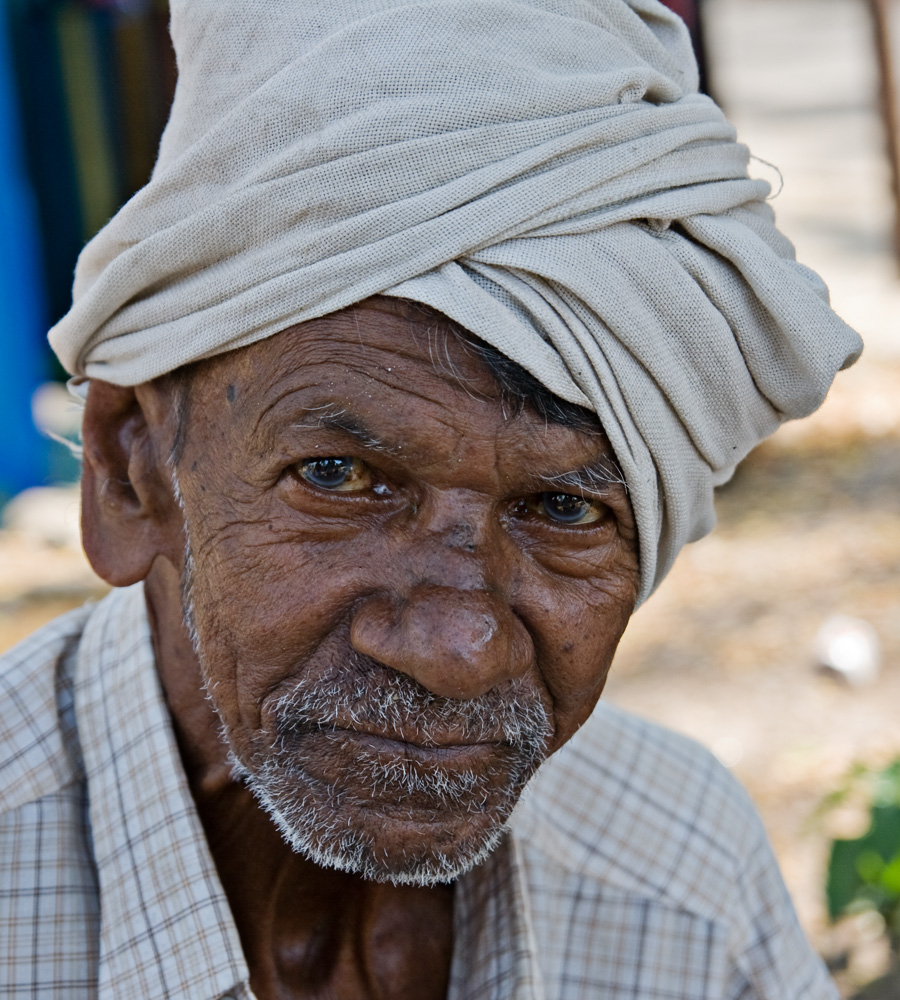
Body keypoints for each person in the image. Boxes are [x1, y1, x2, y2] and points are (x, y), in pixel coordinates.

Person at [1, 1, 862, 997]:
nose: (458, 648)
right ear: (128, 470)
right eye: (338, 479)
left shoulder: (680, 878)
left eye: (565, 509)